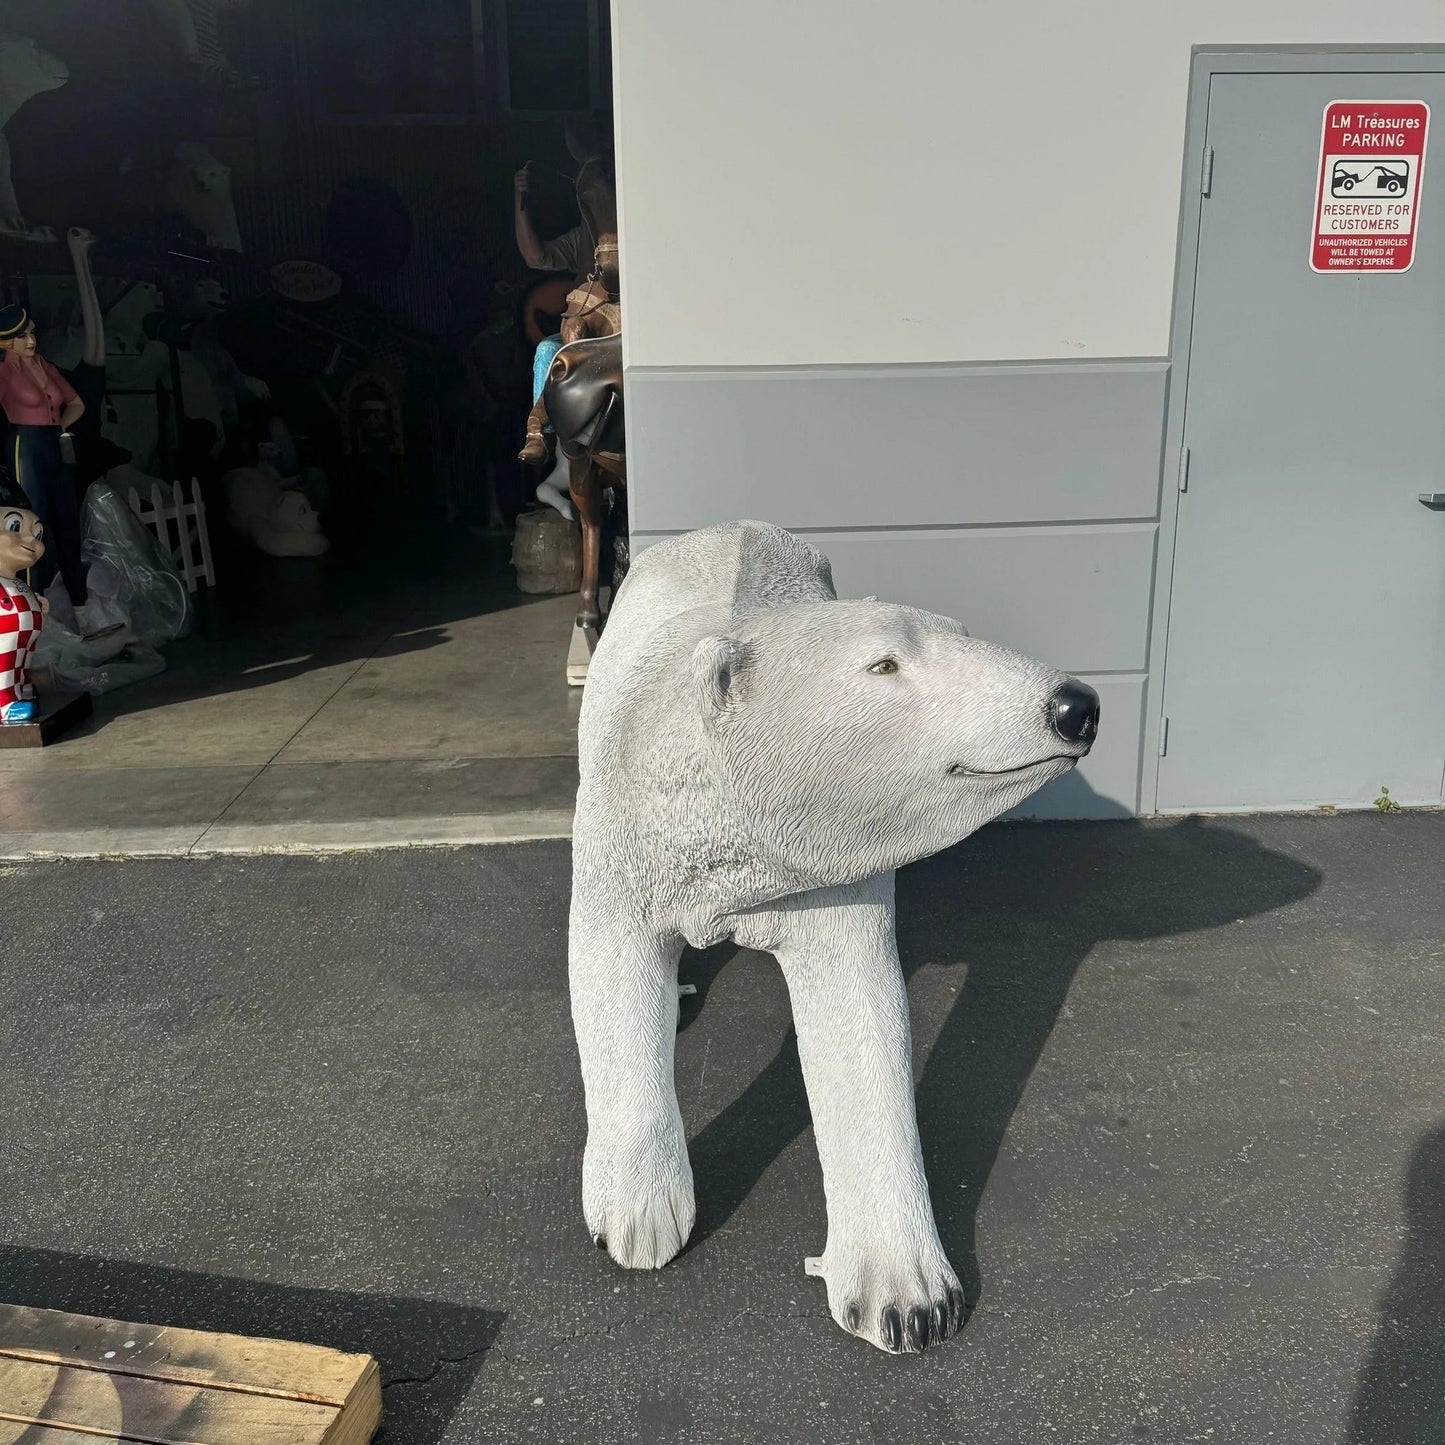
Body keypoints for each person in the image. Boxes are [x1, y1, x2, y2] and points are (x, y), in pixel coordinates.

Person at [513, 115, 617, 464]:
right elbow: (535, 256)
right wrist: (520, 199)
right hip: (584, 343)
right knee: (548, 350)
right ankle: (541, 433)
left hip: (622, 338)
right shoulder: (581, 239)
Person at [0, 302, 87, 604]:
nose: (31, 340)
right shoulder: (4, 370)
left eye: (32, 333)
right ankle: (31, 603)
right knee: (32, 524)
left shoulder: (45, 365)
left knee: (67, 519)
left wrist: (59, 426)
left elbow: (77, 403)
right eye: (22, 336)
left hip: (55, 442)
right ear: (7, 340)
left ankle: (79, 602)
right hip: (25, 445)